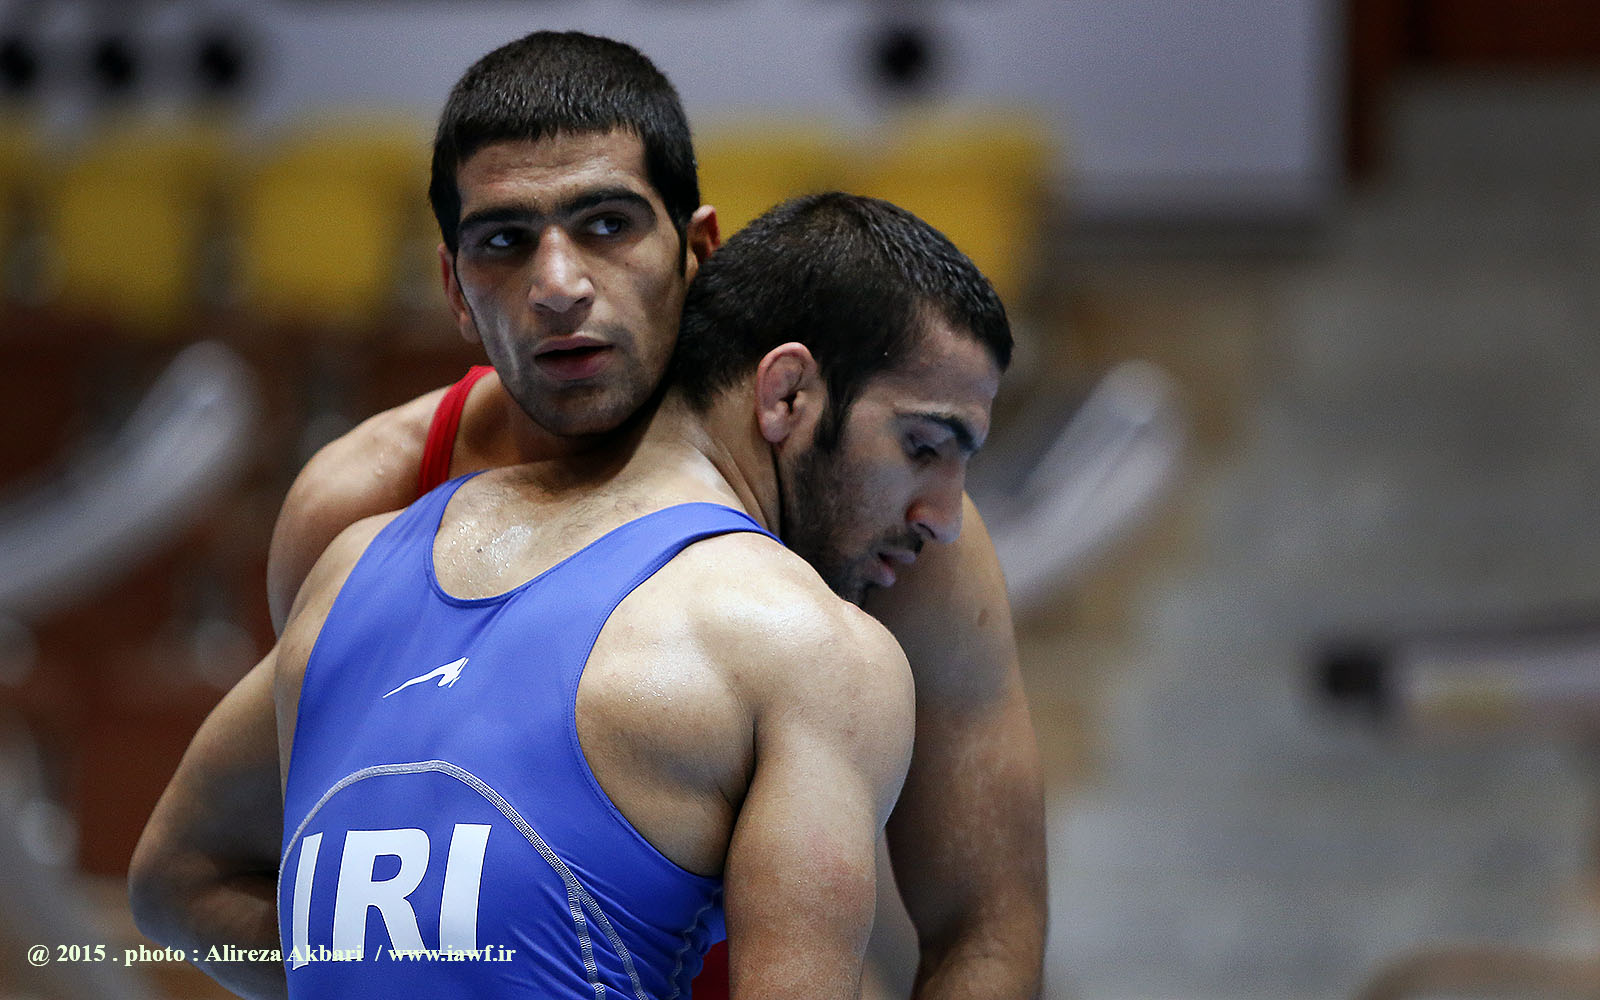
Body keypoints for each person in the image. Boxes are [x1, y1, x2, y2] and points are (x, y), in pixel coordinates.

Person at [132, 30, 1046, 999]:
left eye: (607, 225)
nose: (559, 287)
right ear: (454, 289)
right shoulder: (365, 505)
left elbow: (985, 929)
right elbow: (236, 870)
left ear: (696, 250)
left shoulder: (875, 509)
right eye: (503, 241)